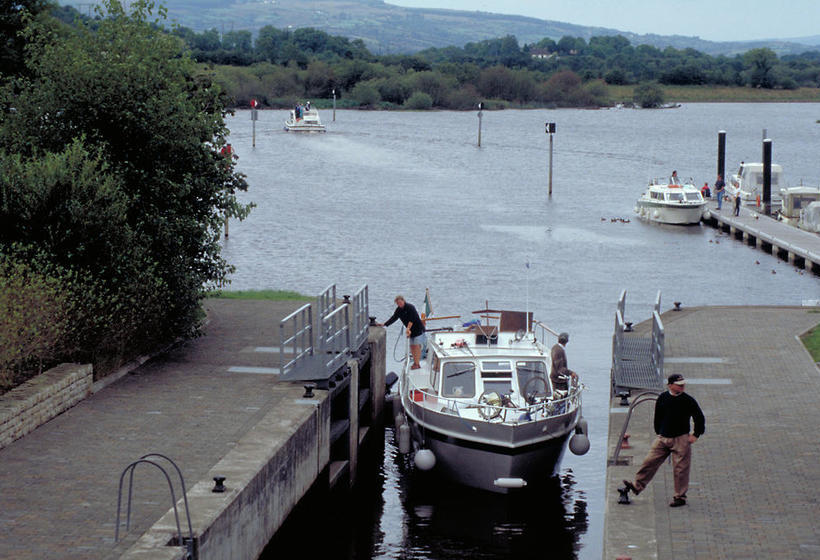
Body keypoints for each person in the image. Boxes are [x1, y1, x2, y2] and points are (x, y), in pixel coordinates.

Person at [620, 373, 705, 508]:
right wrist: (659, 432)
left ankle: (680, 497)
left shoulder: (688, 400)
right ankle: (637, 486)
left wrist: (695, 434)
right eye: (679, 385)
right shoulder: (663, 398)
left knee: (680, 469)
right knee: (649, 462)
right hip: (663, 437)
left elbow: (699, 417)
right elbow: (658, 416)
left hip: (681, 439)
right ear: (670, 385)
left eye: (683, 385)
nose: (682, 387)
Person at [379, 295, 426, 369]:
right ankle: (415, 362)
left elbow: (412, 319)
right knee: (412, 346)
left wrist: (408, 328)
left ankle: (417, 363)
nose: (399, 304)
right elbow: (394, 318)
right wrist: (385, 324)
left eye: (400, 302)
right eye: (398, 303)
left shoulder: (410, 307)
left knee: (416, 345)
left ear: (403, 301)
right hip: (410, 330)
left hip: (417, 328)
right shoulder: (398, 310)